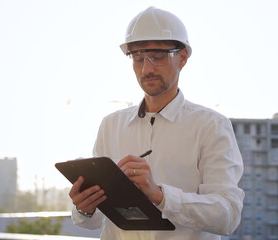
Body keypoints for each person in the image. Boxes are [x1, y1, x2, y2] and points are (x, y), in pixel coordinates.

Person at [69, 6, 244, 240]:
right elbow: (92, 222)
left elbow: (228, 215)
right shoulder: (111, 126)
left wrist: (160, 196)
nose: (146, 69)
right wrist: (84, 206)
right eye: (138, 58)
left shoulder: (211, 126)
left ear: (182, 58)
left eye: (157, 57)